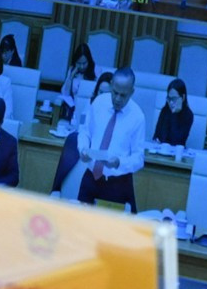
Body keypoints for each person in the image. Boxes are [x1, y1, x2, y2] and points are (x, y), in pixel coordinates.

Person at [76, 66, 146, 210]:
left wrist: (119, 162)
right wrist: (82, 148)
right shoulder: (99, 103)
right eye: (115, 93)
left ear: (131, 92)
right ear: (112, 84)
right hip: (90, 179)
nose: (118, 99)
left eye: (123, 95)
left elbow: (139, 158)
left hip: (117, 185)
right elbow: (85, 131)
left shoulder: (138, 117)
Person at [153, 77, 194, 149]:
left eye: (174, 99)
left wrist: (174, 114)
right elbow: (157, 136)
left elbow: (178, 141)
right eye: (169, 98)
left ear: (183, 97)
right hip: (161, 152)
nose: (171, 102)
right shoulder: (164, 111)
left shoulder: (188, 115)